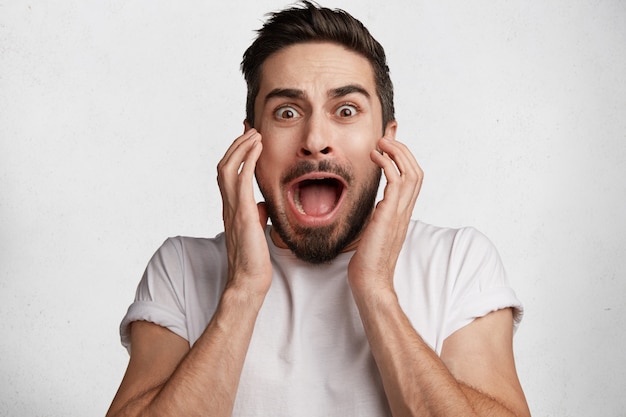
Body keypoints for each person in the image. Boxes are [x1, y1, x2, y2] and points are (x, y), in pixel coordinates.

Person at [106, 2, 530, 416]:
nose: (315, 138)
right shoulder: (181, 267)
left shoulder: (458, 261)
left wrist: (377, 291)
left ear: (388, 141)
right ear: (251, 142)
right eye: (287, 112)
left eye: (346, 110)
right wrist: (242, 290)